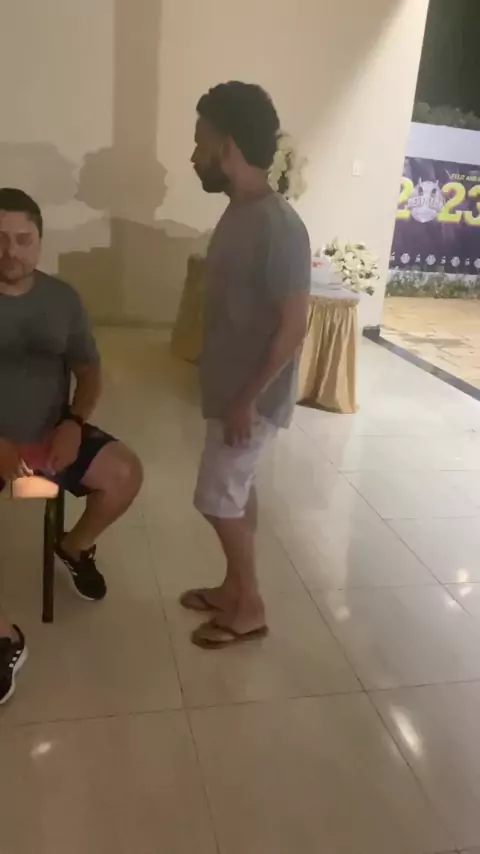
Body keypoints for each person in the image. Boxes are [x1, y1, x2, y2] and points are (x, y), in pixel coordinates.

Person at [0, 188, 143, 704]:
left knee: (125, 474)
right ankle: (4, 639)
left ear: (39, 242)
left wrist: (74, 422)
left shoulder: (63, 299)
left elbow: (89, 370)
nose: (10, 251)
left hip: (52, 437)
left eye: (23, 239)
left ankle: (73, 547)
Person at [181, 82, 311, 649]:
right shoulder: (239, 211)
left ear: (227, 145)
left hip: (251, 398)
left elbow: (294, 326)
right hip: (231, 389)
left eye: (200, 143)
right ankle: (234, 589)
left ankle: (249, 606)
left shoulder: (280, 226)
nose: (193, 156)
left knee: (215, 497)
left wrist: (245, 401)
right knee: (236, 491)